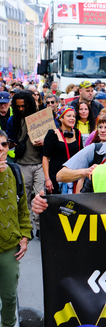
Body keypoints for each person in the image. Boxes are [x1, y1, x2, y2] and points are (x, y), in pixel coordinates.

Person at [0, 130, 31, 327]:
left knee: (9, 296)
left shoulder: (15, 170)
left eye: (3, 144)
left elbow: (23, 207)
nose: (0, 149)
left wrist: (25, 236)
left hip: (9, 246)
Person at [6, 91, 43, 235]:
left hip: (40, 163)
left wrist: (44, 141)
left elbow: (53, 136)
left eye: (23, 106)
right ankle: (28, 228)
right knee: (24, 198)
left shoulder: (39, 119)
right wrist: (13, 145)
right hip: (21, 164)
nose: (21, 109)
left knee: (40, 196)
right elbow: (9, 141)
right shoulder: (12, 121)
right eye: (18, 106)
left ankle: (40, 228)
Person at [42, 107, 83, 195]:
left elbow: (81, 155)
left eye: (74, 116)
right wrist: (47, 179)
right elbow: (45, 157)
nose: (72, 118)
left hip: (74, 175)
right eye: (69, 116)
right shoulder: (52, 134)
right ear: (61, 118)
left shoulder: (78, 133)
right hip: (56, 177)